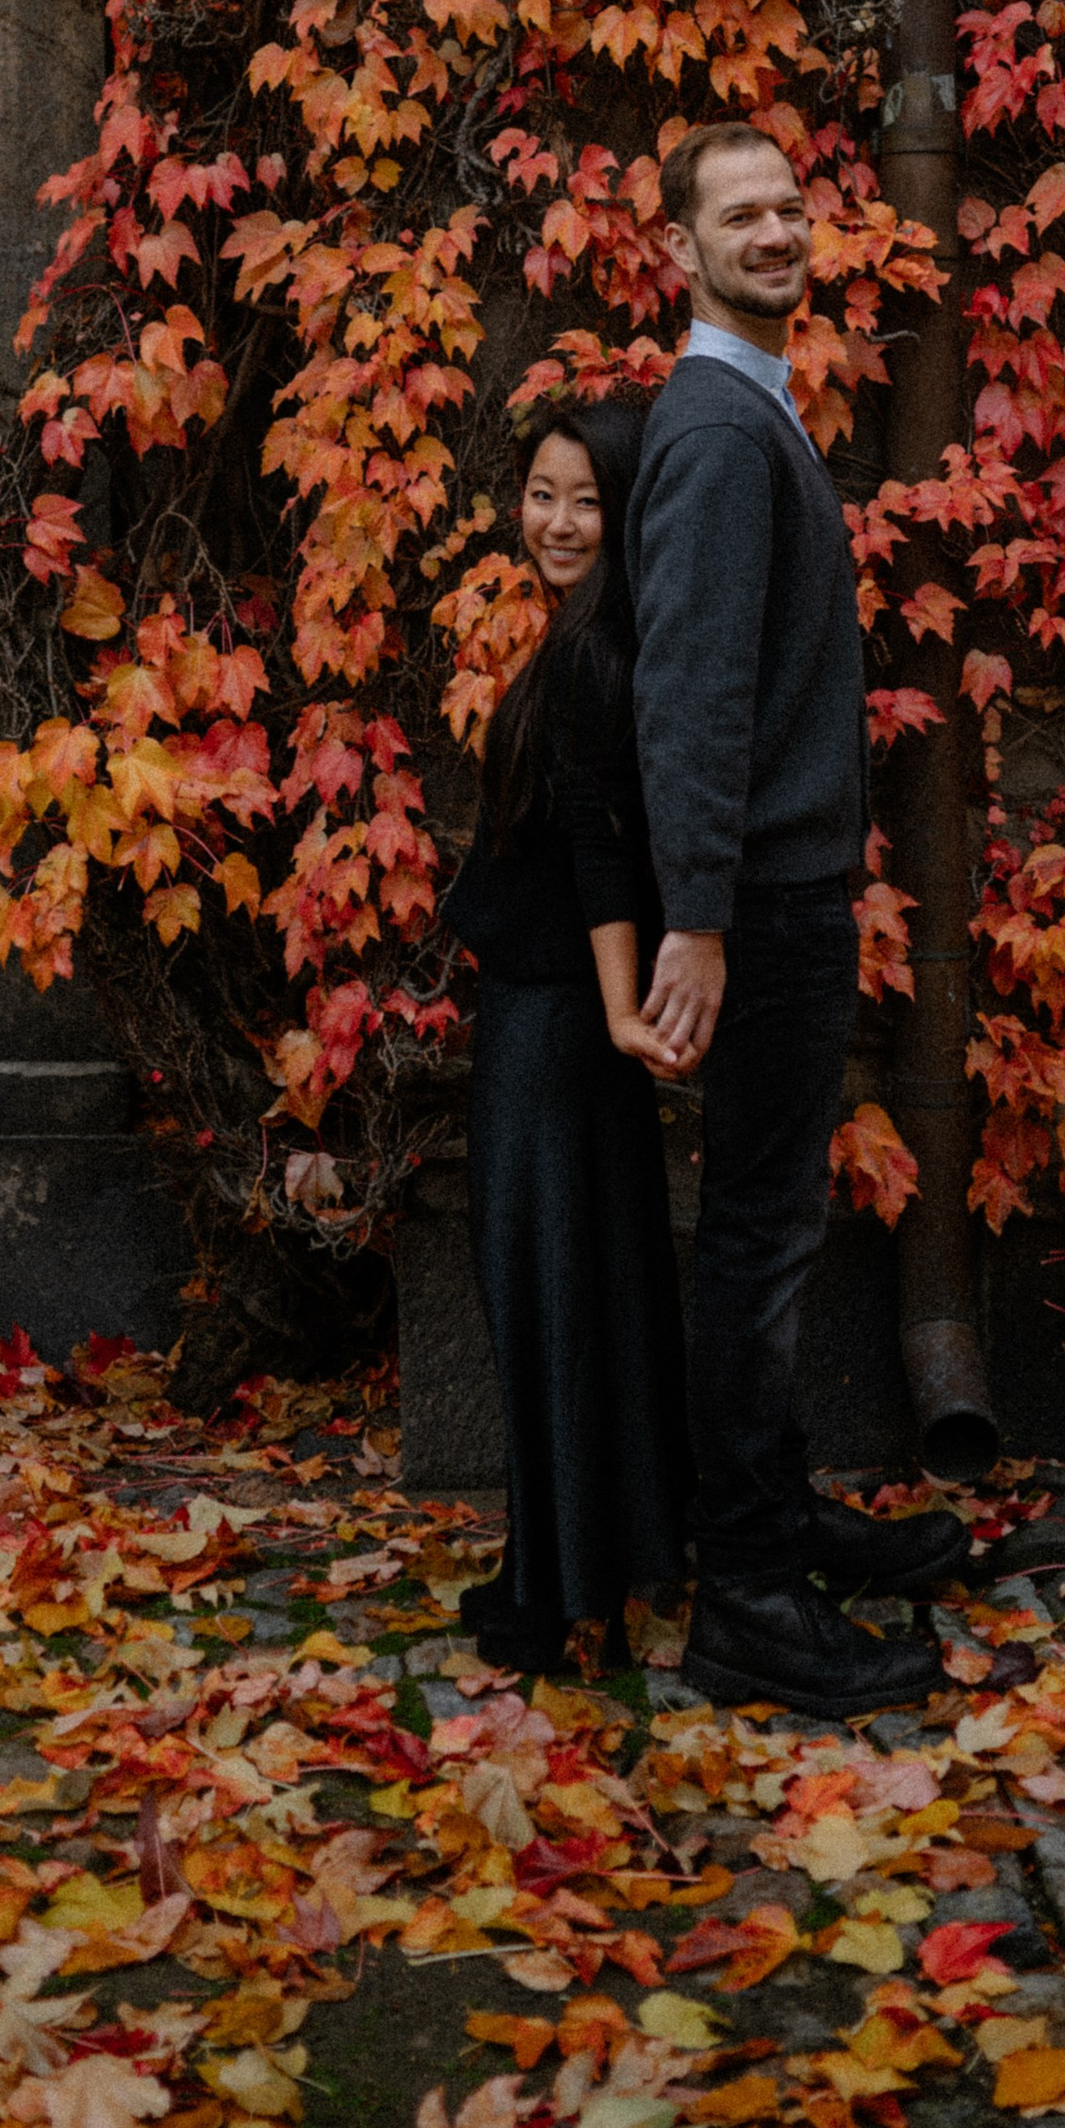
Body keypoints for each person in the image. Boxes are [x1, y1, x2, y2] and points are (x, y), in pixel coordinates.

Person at [627, 124, 967, 1718]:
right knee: (756, 1247)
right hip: (754, 909)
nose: (774, 231)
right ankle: (750, 1596)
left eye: (788, 206)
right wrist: (696, 917)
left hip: (773, 895)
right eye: (736, 214)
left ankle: (771, 1525)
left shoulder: (748, 411)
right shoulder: (713, 433)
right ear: (680, 249)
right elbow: (688, 699)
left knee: (770, 1234)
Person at [442, 400, 690, 1675]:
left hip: (553, 1027)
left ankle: (564, 1589)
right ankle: (573, 1565)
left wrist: (611, 1008)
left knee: (548, 1300)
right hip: (554, 1021)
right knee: (583, 1294)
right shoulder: (590, 634)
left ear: (626, 512)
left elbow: (603, 846)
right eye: (540, 491)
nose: (554, 519)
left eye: (584, 498)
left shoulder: (596, 654)